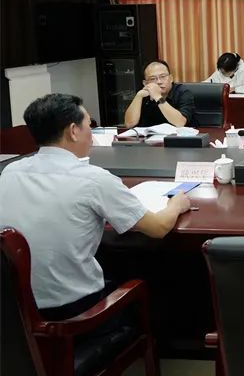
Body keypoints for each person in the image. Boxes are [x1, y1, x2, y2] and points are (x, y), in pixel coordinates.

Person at [0, 94, 190, 319]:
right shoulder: (94, 179)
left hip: (14, 311)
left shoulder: (10, 172)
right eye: (89, 124)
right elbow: (158, 228)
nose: (91, 132)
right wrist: (176, 204)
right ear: (73, 131)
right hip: (75, 314)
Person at [124, 59, 196, 128]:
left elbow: (180, 123)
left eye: (163, 77)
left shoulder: (183, 92)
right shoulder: (144, 94)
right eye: (153, 78)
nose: (159, 82)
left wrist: (158, 97)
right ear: (145, 83)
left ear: (171, 78)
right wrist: (138, 96)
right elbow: (129, 124)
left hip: (179, 136)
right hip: (151, 136)